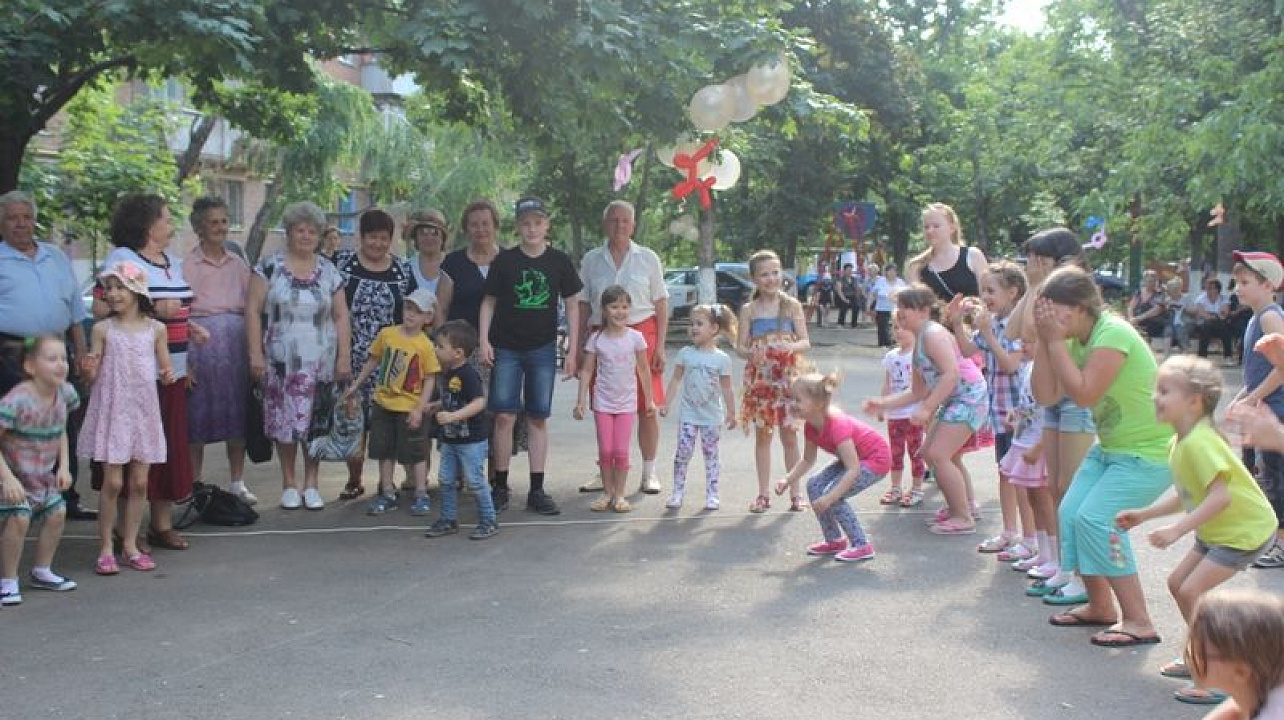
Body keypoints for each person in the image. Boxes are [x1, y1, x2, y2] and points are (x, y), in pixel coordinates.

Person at [1116, 356, 1276, 705]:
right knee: (1178, 584)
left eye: (1164, 391)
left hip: (1243, 531)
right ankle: (1200, 657)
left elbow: (1220, 498)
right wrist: (1145, 514)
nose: (1155, 397)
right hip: (1219, 530)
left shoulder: (1199, 443)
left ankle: (1224, 673)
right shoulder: (1181, 442)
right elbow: (1188, 494)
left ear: (1194, 401)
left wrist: (1176, 530)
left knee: (1191, 591)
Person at [1030, 266, 1173, 647]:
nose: (1049, 318)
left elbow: (1084, 395)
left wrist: (1053, 342)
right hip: (1111, 450)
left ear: (1080, 308)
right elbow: (1045, 395)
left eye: (1055, 311)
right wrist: (1045, 342)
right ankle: (1100, 606)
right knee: (1070, 515)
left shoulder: (1113, 334)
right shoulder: (1072, 339)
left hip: (1147, 453)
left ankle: (1139, 620)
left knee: (1098, 521)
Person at [96, 194, 205, 552]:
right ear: (147, 224)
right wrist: (154, 309)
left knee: (164, 447)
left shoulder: (172, 262)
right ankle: (127, 530)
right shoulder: (123, 260)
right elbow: (102, 307)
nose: (172, 224)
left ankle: (162, 524)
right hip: (133, 374)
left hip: (171, 370)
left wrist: (189, 330)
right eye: (166, 218)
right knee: (130, 450)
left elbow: (179, 310)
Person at [246, 201, 352, 511]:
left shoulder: (329, 270)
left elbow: (342, 315)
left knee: (316, 422)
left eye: (312, 231)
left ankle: (312, 484)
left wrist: (344, 356)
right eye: (299, 230)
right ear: (289, 233)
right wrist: (254, 354)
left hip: (321, 361)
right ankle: (289, 483)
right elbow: (251, 311)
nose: (306, 236)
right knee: (286, 422)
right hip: (282, 361)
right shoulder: (269, 266)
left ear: (319, 236)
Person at [479, 197, 581, 516]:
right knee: (504, 416)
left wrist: (573, 347)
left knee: (538, 417)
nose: (532, 229)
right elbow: (488, 302)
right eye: (525, 223)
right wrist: (484, 339)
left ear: (547, 225)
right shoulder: (505, 261)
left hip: (542, 348)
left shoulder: (559, 261)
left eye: (537, 222)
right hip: (506, 347)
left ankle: (537, 489)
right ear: (518, 227)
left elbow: (573, 304)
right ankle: (500, 485)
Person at [1008, 228, 1095, 584]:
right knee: (1057, 489)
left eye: (1038, 258)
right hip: (1053, 397)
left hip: (1074, 397)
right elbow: (1016, 330)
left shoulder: (1074, 290)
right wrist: (1033, 286)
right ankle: (1063, 563)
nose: (1032, 264)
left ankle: (1079, 572)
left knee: (1069, 489)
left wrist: (1038, 286)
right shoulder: (1044, 289)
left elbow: (1033, 331)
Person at [863, 285, 986, 535]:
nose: (899, 313)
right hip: (955, 399)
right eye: (898, 307)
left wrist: (927, 409)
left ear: (923, 311)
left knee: (938, 454)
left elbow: (951, 374)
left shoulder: (933, 334)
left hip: (969, 397)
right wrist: (883, 404)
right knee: (930, 453)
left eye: (905, 307)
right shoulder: (919, 342)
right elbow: (917, 391)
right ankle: (959, 507)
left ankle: (963, 517)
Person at [0, 191, 93, 520]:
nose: (20, 224)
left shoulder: (55, 257)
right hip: (10, 353)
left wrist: (81, 354)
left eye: (26, 217)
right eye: (12, 218)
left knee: (61, 420)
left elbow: (76, 311)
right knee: (14, 425)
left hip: (55, 351)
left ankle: (64, 495)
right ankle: (13, 498)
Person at [79, 261, 174, 576]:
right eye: (109, 288)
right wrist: (88, 371)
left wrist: (168, 374)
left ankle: (131, 544)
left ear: (137, 291)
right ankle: (106, 546)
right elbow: (93, 376)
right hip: (114, 409)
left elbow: (165, 369)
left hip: (143, 411)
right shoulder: (103, 329)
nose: (113, 294)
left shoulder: (155, 329)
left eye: (120, 287)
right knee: (113, 482)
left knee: (139, 482)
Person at [576, 200, 669, 495]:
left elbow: (661, 303)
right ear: (605, 224)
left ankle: (649, 472)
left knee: (647, 407)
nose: (619, 226)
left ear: (633, 225)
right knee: (605, 406)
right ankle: (606, 469)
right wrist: (577, 346)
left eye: (625, 220)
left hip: (641, 335)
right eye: (613, 220)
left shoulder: (648, 258)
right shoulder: (591, 260)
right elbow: (582, 304)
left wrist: (661, 346)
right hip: (601, 337)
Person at [332, 209, 418, 501]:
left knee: (389, 420)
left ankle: (387, 480)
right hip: (352, 355)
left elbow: (414, 311)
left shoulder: (403, 270)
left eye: (384, 238)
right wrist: (341, 355)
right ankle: (354, 479)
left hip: (393, 360)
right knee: (354, 420)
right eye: (372, 237)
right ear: (361, 236)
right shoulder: (342, 264)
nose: (378, 244)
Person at [954, 262, 1034, 555]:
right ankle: (1010, 531)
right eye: (982, 291)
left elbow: (1011, 365)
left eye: (991, 290)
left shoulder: (1016, 325)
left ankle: (1030, 538)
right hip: (1000, 412)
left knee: (1023, 478)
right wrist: (957, 323)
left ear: (1013, 292)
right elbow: (967, 350)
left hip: (1020, 413)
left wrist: (987, 333)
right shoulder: (993, 321)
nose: (985, 297)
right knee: (1005, 472)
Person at [182, 196, 254, 505]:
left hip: (235, 348)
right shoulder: (187, 265)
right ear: (199, 227)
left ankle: (237, 482)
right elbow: (180, 312)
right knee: (196, 418)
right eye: (213, 222)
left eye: (224, 221)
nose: (220, 227)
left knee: (237, 416)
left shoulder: (238, 264)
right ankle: (193, 485)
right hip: (200, 349)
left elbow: (252, 305)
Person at [344, 289, 440, 516]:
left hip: (409, 407)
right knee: (384, 449)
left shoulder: (425, 345)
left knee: (416, 451)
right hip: (383, 404)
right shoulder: (387, 334)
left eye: (418, 311)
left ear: (428, 317)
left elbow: (430, 378)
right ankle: (387, 491)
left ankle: (421, 492)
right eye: (408, 308)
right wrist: (356, 384)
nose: (410, 314)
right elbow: (373, 360)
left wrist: (419, 409)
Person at [0, 335, 81, 605]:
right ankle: (8, 581)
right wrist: (7, 478)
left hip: (41, 474)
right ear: (30, 366)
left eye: (64, 358)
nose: (61, 364)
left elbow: (60, 428)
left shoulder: (66, 393)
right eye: (51, 359)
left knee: (57, 512)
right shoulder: (17, 400)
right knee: (19, 517)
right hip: (11, 474)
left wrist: (64, 466)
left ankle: (42, 571)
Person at [783, 372, 891, 564]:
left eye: (798, 400)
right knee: (814, 484)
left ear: (818, 404)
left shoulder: (837, 426)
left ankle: (861, 545)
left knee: (835, 495)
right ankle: (834, 540)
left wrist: (830, 497)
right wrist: (787, 479)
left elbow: (853, 469)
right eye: (792, 399)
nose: (792, 404)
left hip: (876, 460)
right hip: (855, 459)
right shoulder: (811, 426)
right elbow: (807, 460)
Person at [1223, 251, 1284, 569]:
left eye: (1245, 282)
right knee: (1256, 476)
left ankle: (1280, 546)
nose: (1238, 289)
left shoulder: (1269, 317)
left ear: (1268, 285)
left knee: (1274, 480)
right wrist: (1241, 398)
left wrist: (1252, 399)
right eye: (1237, 282)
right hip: (1260, 408)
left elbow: (1282, 368)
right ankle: (1264, 538)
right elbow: (1256, 374)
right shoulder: (1254, 317)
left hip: (1274, 412)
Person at [737, 250, 810, 513]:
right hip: (761, 380)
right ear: (754, 279)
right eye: (764, 274)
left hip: (787, 378)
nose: (771, 279)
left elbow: (806, 341)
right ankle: (763, 494)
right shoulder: (749, 310)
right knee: (763, 437)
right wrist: (751, 354)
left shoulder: (792, 306)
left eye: (775, 272)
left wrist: (790, 347)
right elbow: (740, 347)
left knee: (790, 437)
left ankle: (796, 494)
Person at [573, 285, 655, 513]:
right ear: (604, 310)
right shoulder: (596, 339)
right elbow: (587, 371)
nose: (620, 312)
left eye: (625, 307)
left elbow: (644, 370)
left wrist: (649, 400)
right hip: (603, 403)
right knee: (606, 451)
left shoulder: (636, 338)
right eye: (614, 307)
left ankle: (620, 494)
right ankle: (607, 493)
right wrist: (581, 401)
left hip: (627, 404)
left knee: (621, 451)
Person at [424, 320, 498, 540]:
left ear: (457, 353)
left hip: (471, 440)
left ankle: (488, 520)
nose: (435, 349)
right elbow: (455, 398)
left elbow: (479, 402)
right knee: (446, 479)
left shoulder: (468, 374)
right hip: (451, 438)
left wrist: (452, 416)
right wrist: (437, 405)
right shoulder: (447, 373)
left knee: (475, 480)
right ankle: (448, 519)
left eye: (440, 346)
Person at [660, 303, 737, 511]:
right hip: (689, 414)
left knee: (711, 454)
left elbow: (727, 388)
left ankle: (712, 494)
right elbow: (675, 380)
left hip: (712, 416)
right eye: (691, 323)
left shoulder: (722, 359)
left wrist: (732, 412)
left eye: (699, 324)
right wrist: (666, 403)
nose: (693, 328)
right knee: (683, 452)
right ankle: (677, 492)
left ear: (714, 328)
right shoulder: (685, 353)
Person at [1184, 590, 1284, 720]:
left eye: (1200, 654)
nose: (1191, 659)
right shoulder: (1256, 692)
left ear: (1241, 672)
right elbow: (1235, 708)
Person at [997, 363, 1047, 565]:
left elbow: (1054, 411)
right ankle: (1034, 544)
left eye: (1027, 344)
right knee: (1027, 493)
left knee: (1041, 499)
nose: (1022, 347)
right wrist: (1016, 412)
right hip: (1023, 437)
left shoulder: (1047, 366)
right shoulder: (1028, 366)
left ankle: (1040, 547)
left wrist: (1040, 445)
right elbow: (1030, 404)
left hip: (1037, 442)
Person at [876, 312, 926, 508]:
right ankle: (895, 488)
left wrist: (925, 409)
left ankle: (917, 489)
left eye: (903, 327)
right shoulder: (891, 356)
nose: (898, 331)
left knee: (916, 453)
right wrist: (882, 405)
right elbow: (887, 384)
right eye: (895, 327)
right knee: (895, 453)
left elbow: (926, 386)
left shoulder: (919, 355)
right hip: (895, 415)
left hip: (913, 414)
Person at [904, 202, 989, 304]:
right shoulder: (915, 267)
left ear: (952, 228)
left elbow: (988, 297)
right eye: (926, 227)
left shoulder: (973, 256)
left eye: (936, 226)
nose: (930, 231)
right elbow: (915, 307)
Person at [406, 210, 454, 329]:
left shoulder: (454, 265)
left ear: (443, 238)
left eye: (435, 233)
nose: (429, 238)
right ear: (416, 238)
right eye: (423, 233)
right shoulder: (405, 267)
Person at [1190, 278, 1235, 363]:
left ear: (1217, 289)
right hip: (1204, 323)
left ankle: (1228, 357)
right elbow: (1202, 313)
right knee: (1206, 328)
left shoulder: (1224, 298)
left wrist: (1213, 315)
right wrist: (1214, 315)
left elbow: (1224, 314)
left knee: (1226, 330)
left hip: (1219, 324)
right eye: (1207, 288)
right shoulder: (1201, 298)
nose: (1208, 290)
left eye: (1211, 288)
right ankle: (1202, 358)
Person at [869, 264, 906, 348]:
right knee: (882, 327)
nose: (892, 273)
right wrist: (869, 305)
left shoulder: (900, 282)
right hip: (882, 307)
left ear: (896, 272)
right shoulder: (880, 281)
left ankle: (893, 341)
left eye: (894, 271)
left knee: (894, 326)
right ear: (886, 272)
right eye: (890, 271)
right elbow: (873, 293)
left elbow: (905, 294)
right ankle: (883, 343)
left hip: (895, 308)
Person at [1127, 269, 1168, 346]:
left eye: (1153, 281)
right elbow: (1130, 307)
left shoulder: (1159, 293)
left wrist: (1139, 318)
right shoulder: (1138, 292)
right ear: (1144, 281)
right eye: (1148, 281)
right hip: (1137, 322)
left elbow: (1157, 310)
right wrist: (1131, 319)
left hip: (1153, 323)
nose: (1151, 283)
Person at [834, 263, 860, 329]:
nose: (850, 271)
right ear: (844, 271)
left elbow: (857, 290)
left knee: (857, 305)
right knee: (844, 305)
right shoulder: (840, 279)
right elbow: (839, 291)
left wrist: (857, 297)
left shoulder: (854, 279)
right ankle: (840, 323)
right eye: (848, 270)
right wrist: (845, 299)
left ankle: (854, 324)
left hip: (852, 296)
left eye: (851, 270)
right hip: (842, 297)